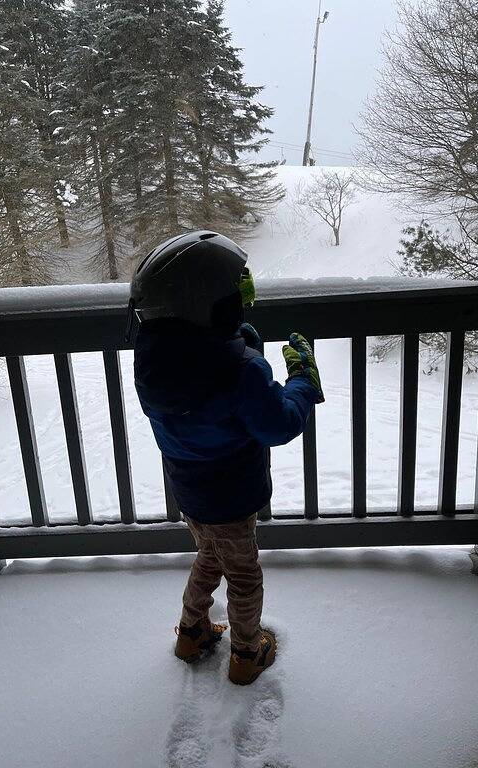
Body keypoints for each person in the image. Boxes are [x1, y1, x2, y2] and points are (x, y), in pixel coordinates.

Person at [128, 230, 324, 686]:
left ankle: (192, 632)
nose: (244, 297)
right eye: (239, 290)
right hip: (234, 497)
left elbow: (206, 397)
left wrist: (240, 343)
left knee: (209, 557)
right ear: (211, 305)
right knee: (243, 575)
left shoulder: (155, 359)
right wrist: (302, 380)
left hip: (190, 490)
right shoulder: (239, 371)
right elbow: (277, 423)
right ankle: (246, 652)